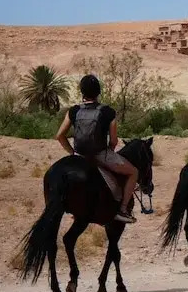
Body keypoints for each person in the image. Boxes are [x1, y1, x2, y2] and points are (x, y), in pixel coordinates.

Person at [55, 74, 139, 223]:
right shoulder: (108, 112)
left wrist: (72, 152)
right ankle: (123, 210)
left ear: (82, 92)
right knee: (134, 172)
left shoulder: (73, 111)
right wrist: (109, 153)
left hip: (79, 156)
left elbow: (60, 135)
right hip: (100, 155)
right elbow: (113, 141)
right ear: (98, 92)